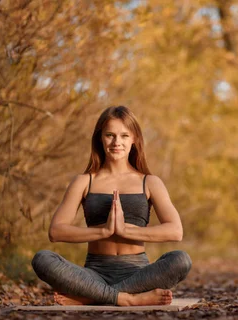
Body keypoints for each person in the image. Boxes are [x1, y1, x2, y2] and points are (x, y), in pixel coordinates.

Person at [31, 105, 192, 306]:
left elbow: (175, 231)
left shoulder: (150, 182)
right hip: (94, 273)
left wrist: (125, 230)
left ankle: (92, 296)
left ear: (134, 139)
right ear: (100, 138)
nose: (117, 142)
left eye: (124, 136)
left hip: (139, 274)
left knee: (181, 260)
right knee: (42, 259)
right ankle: (127, 299)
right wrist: (105, 231)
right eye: (110, 135)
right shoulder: (84, 181)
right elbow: (56, 232)